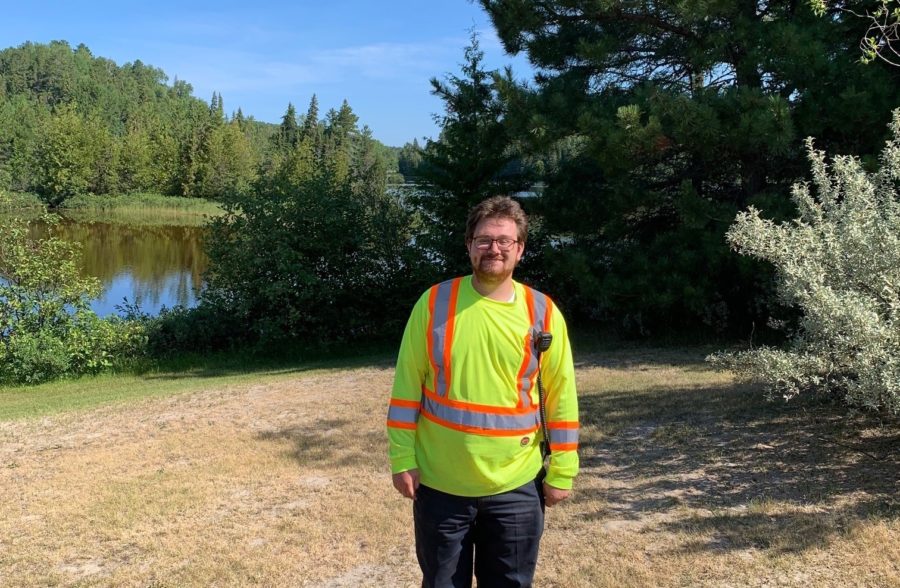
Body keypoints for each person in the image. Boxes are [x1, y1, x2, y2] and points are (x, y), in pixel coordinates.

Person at [386, 195, 579, 588]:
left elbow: (561, 396)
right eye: (484, 240)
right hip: (441, 487)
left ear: (520, 248)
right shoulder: (434, 303)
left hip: (516, 487)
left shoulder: (541, 313)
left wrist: (563, 469)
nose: (494, 248)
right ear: (469, 245)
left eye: (505, 241)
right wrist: (402, 456)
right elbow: (407, 387)